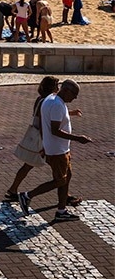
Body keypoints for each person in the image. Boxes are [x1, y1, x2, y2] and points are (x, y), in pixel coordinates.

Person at [20, 79, 89, 221]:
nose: (75, 97)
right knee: (59, 181)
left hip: (59, 148)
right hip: (57, 150)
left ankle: (61, 210)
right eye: (74, 94)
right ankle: (27, 196)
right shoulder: (57, 104)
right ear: (66, 90)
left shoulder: (51, 99)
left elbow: (51, 120)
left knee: (67, 176)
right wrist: (78, 138)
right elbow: (55, 130)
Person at [4, 76, 61, 203]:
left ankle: (12, 190)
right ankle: (65, 195)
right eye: (57, 85)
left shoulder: (40, 99)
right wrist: (45, 143)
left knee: (28, 166)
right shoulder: (47, 101)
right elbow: (43, 122)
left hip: (36, 138)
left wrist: (71, 113)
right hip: (42, 140)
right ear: (52, 87)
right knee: (59, 170)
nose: (58, 88)